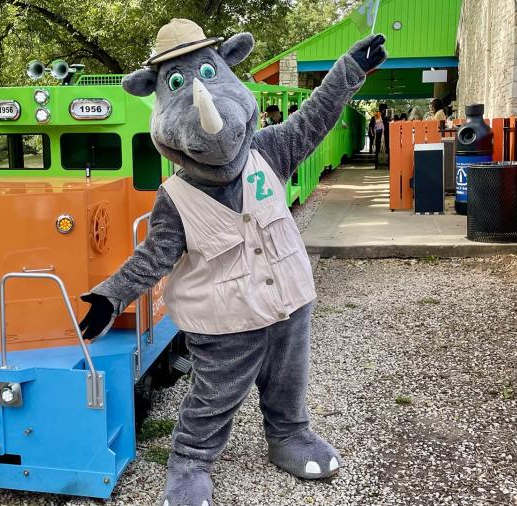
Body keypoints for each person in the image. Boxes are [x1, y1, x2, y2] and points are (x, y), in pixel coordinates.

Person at [82, 18, 387, 506]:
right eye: (176, 82)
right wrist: (110, 295)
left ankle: (288, 435)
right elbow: (153, 256)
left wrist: (350, 69)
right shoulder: (174, 198)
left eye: (208, 71)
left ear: (227, 66)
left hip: (288, 300)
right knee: (213, 396)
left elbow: (316, 115)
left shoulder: (269, 151)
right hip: (223, 321)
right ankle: (191, 460)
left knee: (289, 380)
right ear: (158, 95)